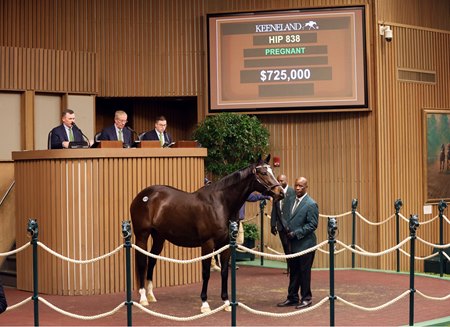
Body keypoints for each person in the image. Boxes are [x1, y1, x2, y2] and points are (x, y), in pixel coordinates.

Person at [277, 177, 318, 310]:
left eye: (301, 186)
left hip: (306, 245)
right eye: (296, 185)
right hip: (292, 244)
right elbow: (287, 216)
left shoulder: (311, 204)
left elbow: (312, 225)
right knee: (294, 271)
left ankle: (306, 298)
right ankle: (292, 298)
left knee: (304, 273)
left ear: (306, 187)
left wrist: (296, 233)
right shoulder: (290, 200)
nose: (298, 188)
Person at [270, 174, 296, 272]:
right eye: (278, 181)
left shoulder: (292, 192)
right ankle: (289, 267)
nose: (280, 183)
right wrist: (273, 225)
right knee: (285, 246)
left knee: (291, 247)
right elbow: (274, 210)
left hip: (291, 226)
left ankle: (293, 268)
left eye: (282, 181)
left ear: (286, 180)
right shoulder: (276, 193)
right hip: (280, 226)